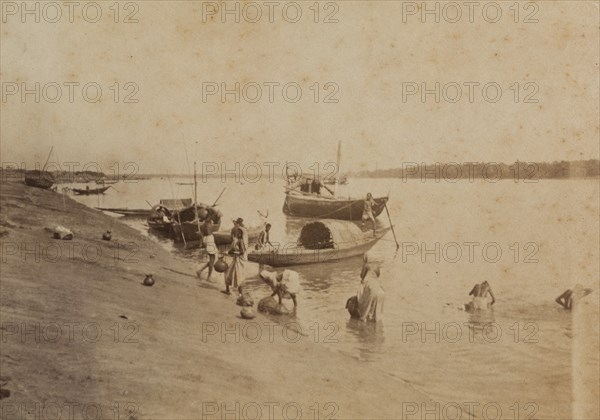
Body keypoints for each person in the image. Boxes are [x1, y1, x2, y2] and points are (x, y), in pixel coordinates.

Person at [347, 252, 385, 322]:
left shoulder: (366, 265)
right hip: (377, 286)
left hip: (369, 284)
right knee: (376, 315)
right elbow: (378, 275)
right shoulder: (377, 265)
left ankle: (362, 318)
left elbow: (362, 276)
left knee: (362, 300)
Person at [224, 219, 247, 294]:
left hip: (239, 261)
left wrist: (232, 252)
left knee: (238, 277)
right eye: (236, 232)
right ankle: (227, 290)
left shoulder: (240, 241)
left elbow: (242, 252)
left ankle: (240, 294)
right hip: (235, 259)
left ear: (240, 234)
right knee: (228, 273)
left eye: (238, 233)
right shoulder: (236, 241)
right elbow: (231, 250)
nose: (236, 233)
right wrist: (227, 252)